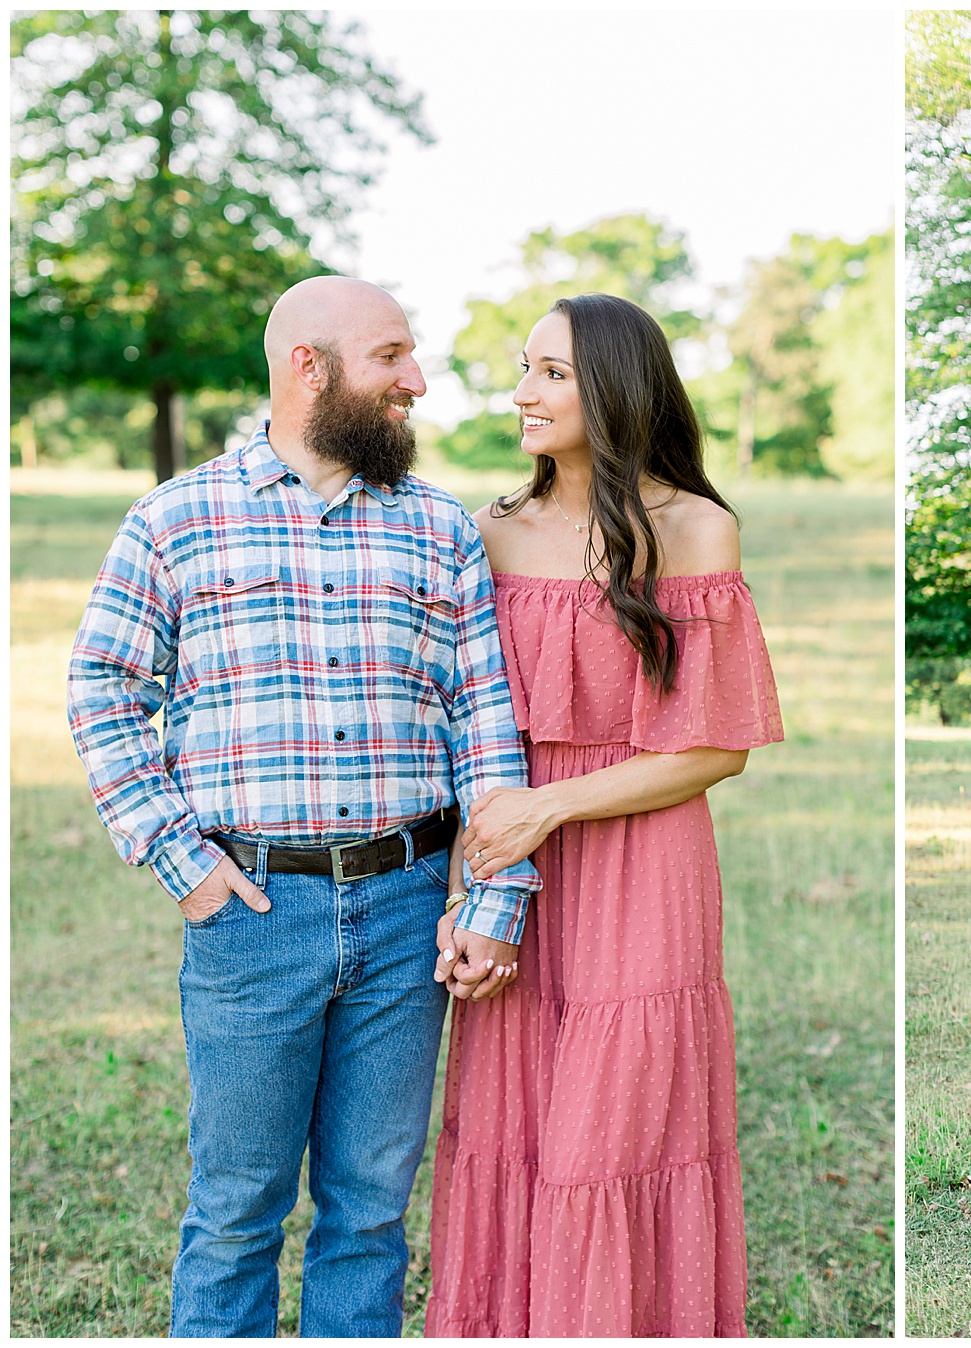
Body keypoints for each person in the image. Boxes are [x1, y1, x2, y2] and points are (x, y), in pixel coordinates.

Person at [66, 276, 539, 1336]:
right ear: (308, 367)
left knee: (370, 1216)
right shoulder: (176, 519)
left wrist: (497, 897)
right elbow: (101, 684)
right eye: (392, 357)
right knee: (236, 1213)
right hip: (251, 918)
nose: (417, 380)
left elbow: (487, 725)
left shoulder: (440, 531)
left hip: (411, 910)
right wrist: (181, 863)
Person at [422, 294, 782, 1338]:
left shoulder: (694, 525)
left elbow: (717, 745)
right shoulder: (486, 530)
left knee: (613, 1134)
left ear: (616, 387)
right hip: (511, 860)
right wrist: (481, 879)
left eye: (551, 373)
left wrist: (554, 805)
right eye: (523, 369)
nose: (522, 393)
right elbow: (467, 731)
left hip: (643, 864)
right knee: (513, 1122)